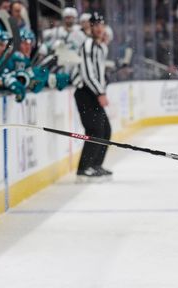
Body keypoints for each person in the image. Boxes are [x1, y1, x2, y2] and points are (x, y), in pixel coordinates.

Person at [73, 12, 112, 179]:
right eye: (96, 25)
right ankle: (84, 168)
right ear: (90, 27)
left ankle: (96, 165)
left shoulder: (100, 46)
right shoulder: (88, 44)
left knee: (105, 130)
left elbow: (99, 72)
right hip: (85, 93)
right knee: (94, 130)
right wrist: (101, 92)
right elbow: (88, 74)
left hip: (93, 93)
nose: (99, 28)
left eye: (101, 25)